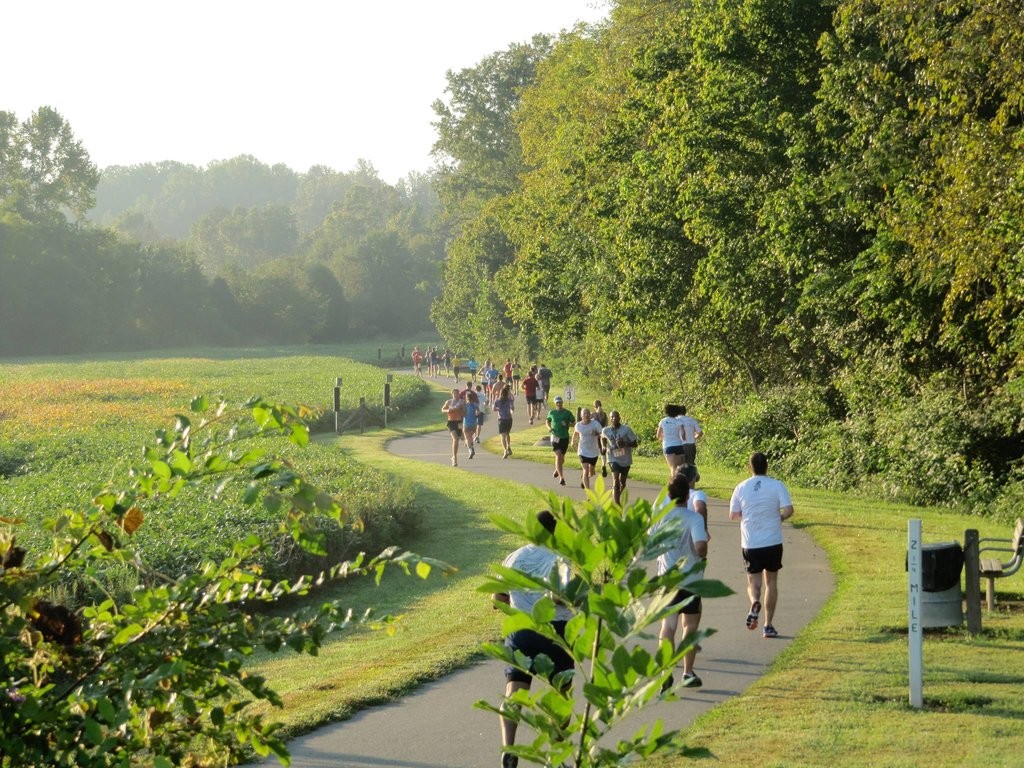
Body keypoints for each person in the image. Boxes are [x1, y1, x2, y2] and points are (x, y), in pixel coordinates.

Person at [493, 510, 574, 768]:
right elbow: (559, 597)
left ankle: (509, 748)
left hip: (522, 630)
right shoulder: (561, 558)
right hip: (555, 631)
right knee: (561, 694)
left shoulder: (514, 557)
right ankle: (556, 756)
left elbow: (498, 598)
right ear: (554, 532)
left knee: (514, 692)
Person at [650, 471, 708, 689]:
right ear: (687, 496)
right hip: (691, 578)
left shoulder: (661, 519)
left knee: (668, 626)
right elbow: (701, 546)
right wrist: (699, 554)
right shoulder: (694, 518)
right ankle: (688, 672)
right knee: (690, 627)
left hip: (668, 579)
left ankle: (666, 671)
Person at [729, 452, 794, 639]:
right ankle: (768, 625)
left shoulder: (741, 487)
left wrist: (748, 518)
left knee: (753, 582)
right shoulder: (777, 485)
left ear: (750, 467)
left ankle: (754, 601)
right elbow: (789, 510)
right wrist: (779, 517)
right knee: (771, 582)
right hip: (773, 540)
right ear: (767, 466)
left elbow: (733, 515)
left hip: (751, 542)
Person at [601, 410, 638, 506]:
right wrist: (604, 447)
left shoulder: (626, 429)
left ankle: (620, 497)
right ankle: (617, 504)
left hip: (625, 459)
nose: (614, 418)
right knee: (616, 480)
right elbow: (603, 437)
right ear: (610, 419)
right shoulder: (606, 430)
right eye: (612, 417)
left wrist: (624, 443)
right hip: (613, 458)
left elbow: (635, 443)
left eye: (616, 417)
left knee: (623, 483)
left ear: (619, 418)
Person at [571, 407, 604, 490]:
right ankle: (588, 493)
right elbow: (575, 433)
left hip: (594, 452)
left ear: (590, 415)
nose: (586, 415)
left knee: (591, 472)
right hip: (583, 451)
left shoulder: (595, 424)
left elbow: (602, 435)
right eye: (584, 414)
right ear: (581, 416)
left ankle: (584, 478)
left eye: (588, 413)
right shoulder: (578, 425)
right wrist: (573, 442)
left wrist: (596, 433)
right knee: (585, 470)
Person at [546, 396, 575, 486]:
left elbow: (574, 423)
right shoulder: (552, 412)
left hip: (564, 437)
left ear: (562, 403)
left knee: (562, 459)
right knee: (558, 456)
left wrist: (567, 424)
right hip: (555, 437)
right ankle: (562, 477)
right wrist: (550, 428)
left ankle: (557, 470)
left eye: (560, 402)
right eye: (557, 403)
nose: (559, 404)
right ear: (555, 403)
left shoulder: (567, 413)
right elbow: (547, 421)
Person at [656, 404, 686, 477]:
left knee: (672, 467)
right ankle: (680, 481)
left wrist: (664, 438)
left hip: (668, 445)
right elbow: (683, 434)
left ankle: (674, 483)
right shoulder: (679, 421)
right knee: (679, 467)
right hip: (678, 445)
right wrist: (683, 438)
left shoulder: (663, 421)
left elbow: (658, 435)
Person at [441, 389, 465, 467]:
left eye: (457, 394)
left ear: (459, 394)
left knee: (459, 439)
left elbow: (465, 414)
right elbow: (442, 409)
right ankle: (454, 458)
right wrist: (447, 410)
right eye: (454, 394)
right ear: (452, 395)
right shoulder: (449, 402)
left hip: (459, 422)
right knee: (455, 439)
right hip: (451, 422)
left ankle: (463, 436)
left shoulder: (462, 402)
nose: (455, 395)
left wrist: (459, 410)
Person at [494, 384, 515, 458]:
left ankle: (505, 450)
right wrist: (511, 409)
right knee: (507, 433)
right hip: (509, 419)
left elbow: (494, 409)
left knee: (503, 436)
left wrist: (499, 409)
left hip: (501, 419)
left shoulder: (497, 400)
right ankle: (508, 446)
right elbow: (512, 407)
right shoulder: (509, 400)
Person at [591, 400, 609, 476]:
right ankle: (603, 465)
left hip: (596, 435)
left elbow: (590, 424)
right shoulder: (604, 414)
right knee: (603, 451)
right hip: (603, 434)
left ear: (594, 407)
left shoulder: (593, 414)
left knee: (594, 452)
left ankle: (594, 467)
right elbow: (606, 425)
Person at [463, 390, 482, 459]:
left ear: (466, 398)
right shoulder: (475, 405)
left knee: (468, 438)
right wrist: (477, 413)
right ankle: (471, 448)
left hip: (466, 423)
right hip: (474, 424)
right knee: (469, 438)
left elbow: (463, 413)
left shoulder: (465, 405)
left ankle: (471, 450)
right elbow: (478, 412)